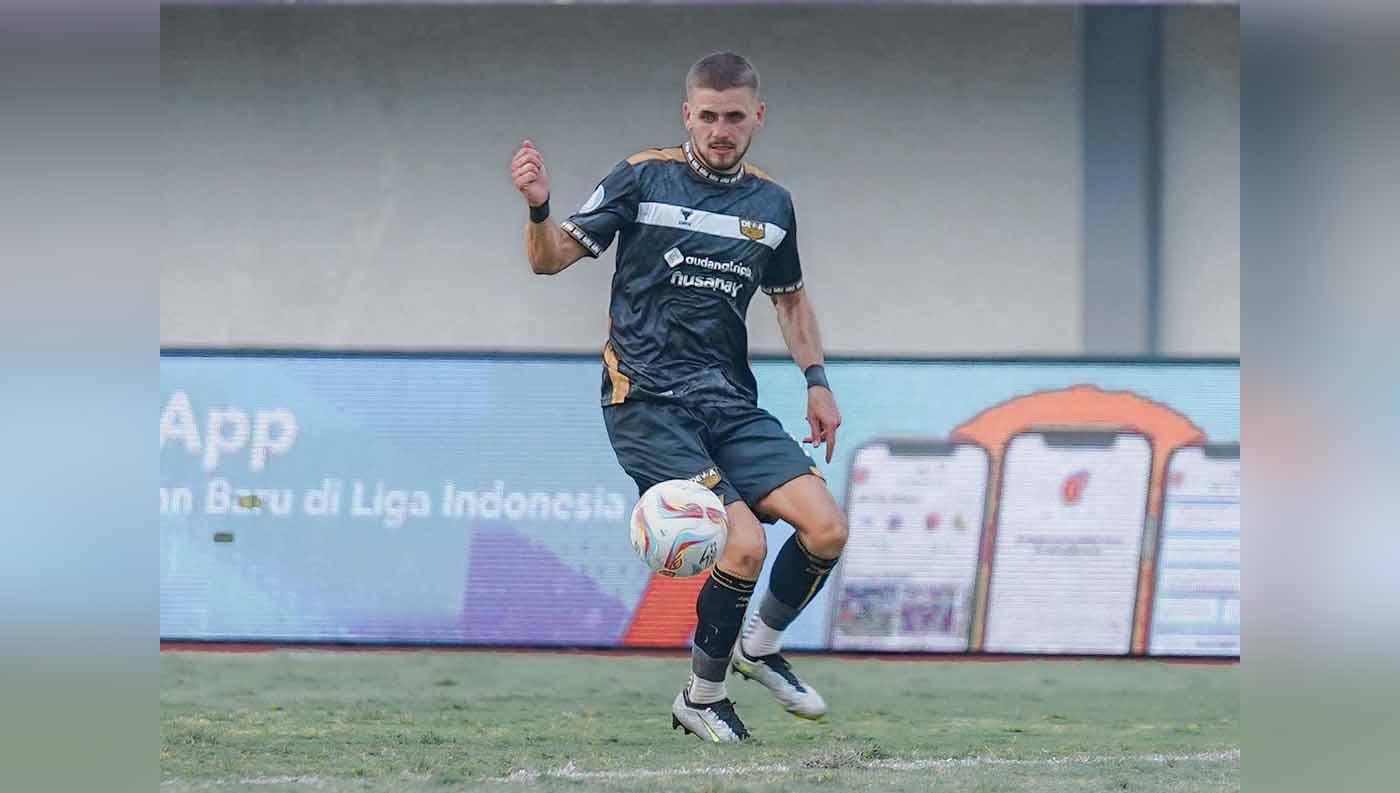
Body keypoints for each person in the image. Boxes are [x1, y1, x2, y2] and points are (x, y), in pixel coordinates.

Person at [509, 51, 848, 743]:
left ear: (757, 116)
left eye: (733, 116)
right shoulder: (642, 178)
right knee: (744, 543)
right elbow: (548, 259)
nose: (720, 129)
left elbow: (790, 301)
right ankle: (702, 696)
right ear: (686, 114)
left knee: (826, 527)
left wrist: (818, 381)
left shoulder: (772, 204)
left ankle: (759, 648)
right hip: (646, 399)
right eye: (707, 115)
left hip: (727, 399)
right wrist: (539, 204)